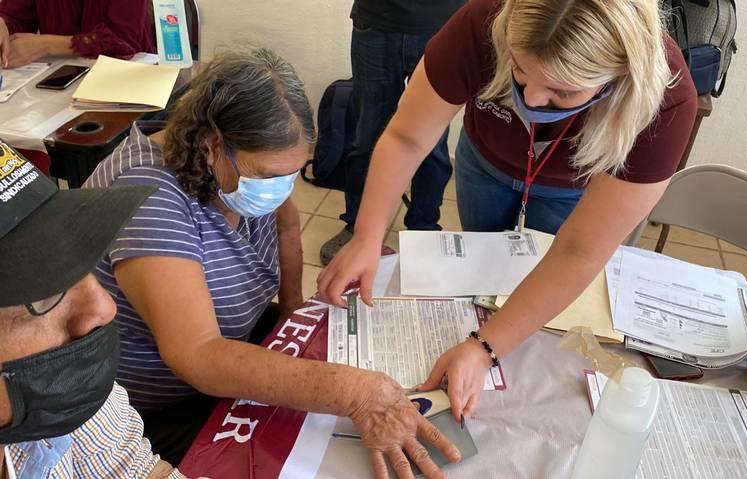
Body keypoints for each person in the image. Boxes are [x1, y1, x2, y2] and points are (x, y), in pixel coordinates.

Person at [83, 47, 459, 477]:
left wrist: (291, 310)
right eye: (267, 175)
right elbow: (198, 355)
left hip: (228, 346)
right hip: (163, 405)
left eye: (292, 174)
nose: (280, 190)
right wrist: (351, 392)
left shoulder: (246, 169)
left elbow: (285, 224)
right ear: (213, 144)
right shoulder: (148, 201)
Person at [318, 0, 697, 422]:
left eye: (563, 91)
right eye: (519, 69)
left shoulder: (666, 101)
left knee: (539, 320)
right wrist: (369, 235)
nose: (530, 98)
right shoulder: (482, 22)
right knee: (481, 280)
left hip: (572, 190)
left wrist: (484, 348)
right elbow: (407, 137)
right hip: (486, 163)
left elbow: (580, 252)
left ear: (617, 76)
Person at [0, 140, 186, 477]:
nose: (104, 306)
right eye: (41, 293)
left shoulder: (55, 396)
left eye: (79, 264)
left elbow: (133, 467)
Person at [319, 0, 465, 265]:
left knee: (433, 145)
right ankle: (356, 226)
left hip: (445, 25)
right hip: (376, 21)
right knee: (367, 138)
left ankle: (424, 230)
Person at [0, 0, 155, 68]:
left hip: (127, 77)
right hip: (57, 77)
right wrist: (3, 24)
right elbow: (17, 15)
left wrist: (45, 45)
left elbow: (123, 38)